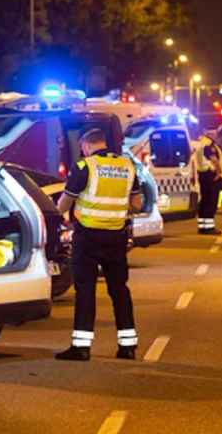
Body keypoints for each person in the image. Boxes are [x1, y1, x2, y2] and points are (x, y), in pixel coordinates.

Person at [55, 128, 143, 362]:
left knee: (85, 291)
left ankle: (81, 347)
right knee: (119, 290)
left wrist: (55, 216)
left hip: (88, 237)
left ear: (86, 145)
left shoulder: (85, 167)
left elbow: (66, 201)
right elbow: (137, 204)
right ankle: (128, 346)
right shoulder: (127, 166)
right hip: (116, 236)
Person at [195, 129, 222, 234]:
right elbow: (214, 159)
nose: (216, 136)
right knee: (211, 202)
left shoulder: (201, 143)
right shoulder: (209, 144)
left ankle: (202, 226)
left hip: (203, 175)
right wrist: (219, 172)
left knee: (204, 201)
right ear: (209, 134)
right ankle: (209, 227)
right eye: (214, 134)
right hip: (211, 176)